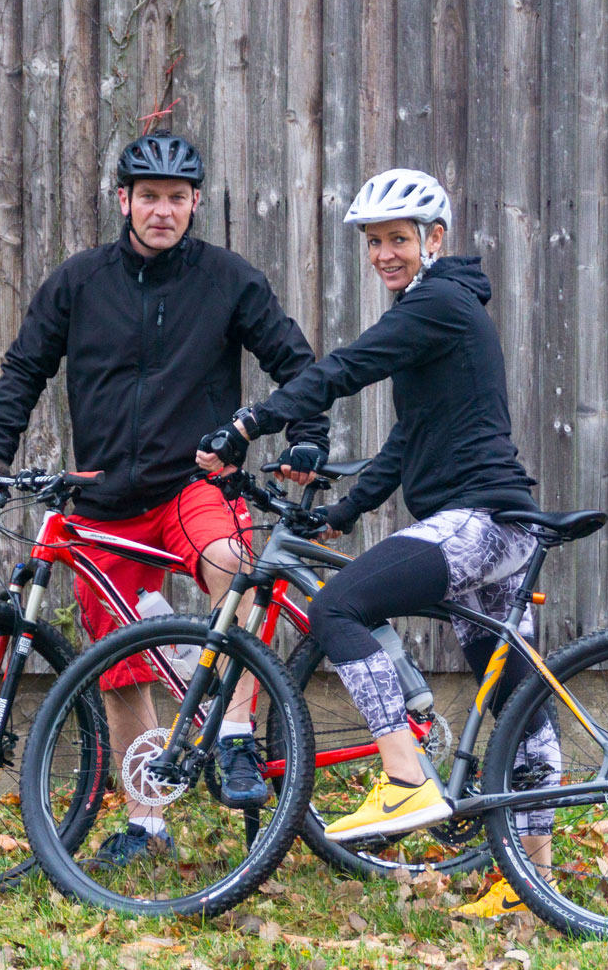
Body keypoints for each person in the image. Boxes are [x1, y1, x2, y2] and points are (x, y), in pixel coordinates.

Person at [196, 167, 558, 920]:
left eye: (399, 239)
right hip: (499, 525)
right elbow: (408, 439)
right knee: (519, 704)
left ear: (435, 239)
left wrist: (248, 424)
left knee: (337, 608)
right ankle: (532, 884)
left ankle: (403, 775)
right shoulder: (441, 312)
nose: (386, 254)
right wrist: (348, 510)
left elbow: (344, 370)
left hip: (476, 522)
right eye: (375, 242)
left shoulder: (439, 303)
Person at [0, 132, 329, 870]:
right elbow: (25, 368)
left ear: (195, 204)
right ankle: (147, 823)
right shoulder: (78, 281)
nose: (162, 211)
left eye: (176, 198)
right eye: (149, 196)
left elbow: (297, 364)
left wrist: (307, 439)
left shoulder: (229, 279)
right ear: (124, 200)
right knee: (117, 665)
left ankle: (232, 735)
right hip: (102, 500)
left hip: (190, 486)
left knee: (233, 562)